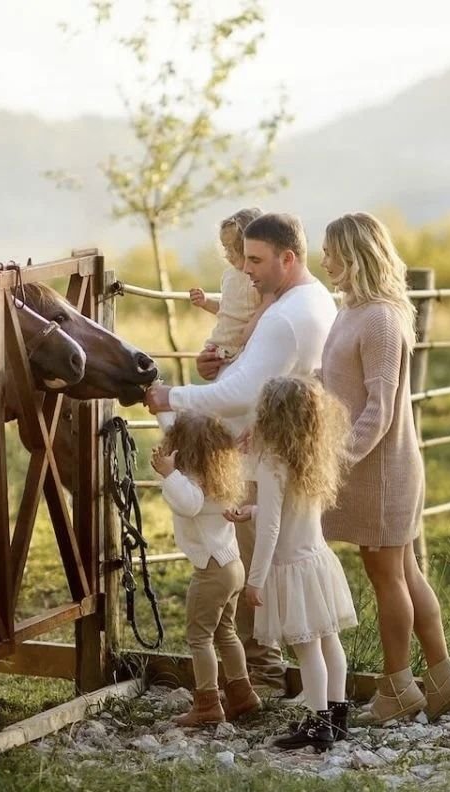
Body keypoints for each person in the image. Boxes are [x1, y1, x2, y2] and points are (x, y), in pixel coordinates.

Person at [145, 212, 338, 693]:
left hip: (256, 458)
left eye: (255, 260)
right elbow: (249, 379)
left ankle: (275, 689)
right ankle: (312, 702)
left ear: (288, 258)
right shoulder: (306, 301)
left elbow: (244, 394)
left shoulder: (287, 316)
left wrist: (174, 398)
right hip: (265, 449)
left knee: (277, 603)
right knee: (312, 625)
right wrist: (219, 368)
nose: (245, 270)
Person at [318, 212, 450, 723]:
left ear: (356, 253)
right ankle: (446, 683)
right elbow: (342, 379)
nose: (325, 260)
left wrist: (337, 463)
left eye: (332, 251)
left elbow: (379, 408)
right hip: (372, 466)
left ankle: (397, 691)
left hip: (380, 469)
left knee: (388, 575)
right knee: (403, 571)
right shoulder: (352, 311)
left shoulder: (382, 319)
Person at [226, 376, 357, 751]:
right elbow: (284, 513)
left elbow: (270, 529)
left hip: (291, 569)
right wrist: (251, 509)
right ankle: (336, 714)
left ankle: (318, 725)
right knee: (329, 641)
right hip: (316, 561)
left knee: (307, 649)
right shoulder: (311, 458)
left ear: (270, 417)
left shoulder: (273, 465)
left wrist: (255, 580)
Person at [150, 412, 261, 727]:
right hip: (232, 565)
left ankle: (208, 704)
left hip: (212, 570)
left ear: (181, 448)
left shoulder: (192, 482)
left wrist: (170, 475)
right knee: (225, 632)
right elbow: (177, 428)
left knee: (199, 637)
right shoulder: (221, 474)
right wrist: (160, 404)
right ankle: (243, 695)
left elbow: (189, 504)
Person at [188, 207, 273, 364]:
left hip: (244, 350)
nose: (228, 254)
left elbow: (266, 312)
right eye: (225, 248)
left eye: (233, 247)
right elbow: (227, 310)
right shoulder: (228, 276)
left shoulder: (261, 278)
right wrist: (205, 302)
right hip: (219, 347)